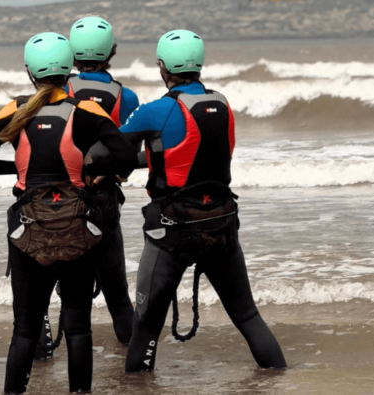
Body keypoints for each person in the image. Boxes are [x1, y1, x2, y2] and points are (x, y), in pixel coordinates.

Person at [0, 32, 136, 394]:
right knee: (78, 328)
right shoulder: (86, 110)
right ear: (68, 68)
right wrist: (91, 171)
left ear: (30, 72)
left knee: (25, 330)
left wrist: (19, 171)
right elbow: (125, 157)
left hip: (29, 229)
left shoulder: (16, 109)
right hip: (77, 226)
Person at [118, 30, 286, 373]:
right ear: (199, 63)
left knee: (146, 327)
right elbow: (191, 154)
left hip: (172, 231)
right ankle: (279, 379)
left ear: (162, 66)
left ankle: (137, 387)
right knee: (248, 316)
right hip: (221, 224)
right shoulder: (222, 104)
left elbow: (107, 152)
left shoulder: (157, 110)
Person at [32, 16, 140, 358]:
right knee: (117, 293)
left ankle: (40, 353)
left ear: (71, 55)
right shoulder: (126, 96)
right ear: (111, 52)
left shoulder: (59, 91)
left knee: (43, 285)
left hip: (58, 202)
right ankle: (137, 364)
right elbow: (127, 154)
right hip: (103, 202)